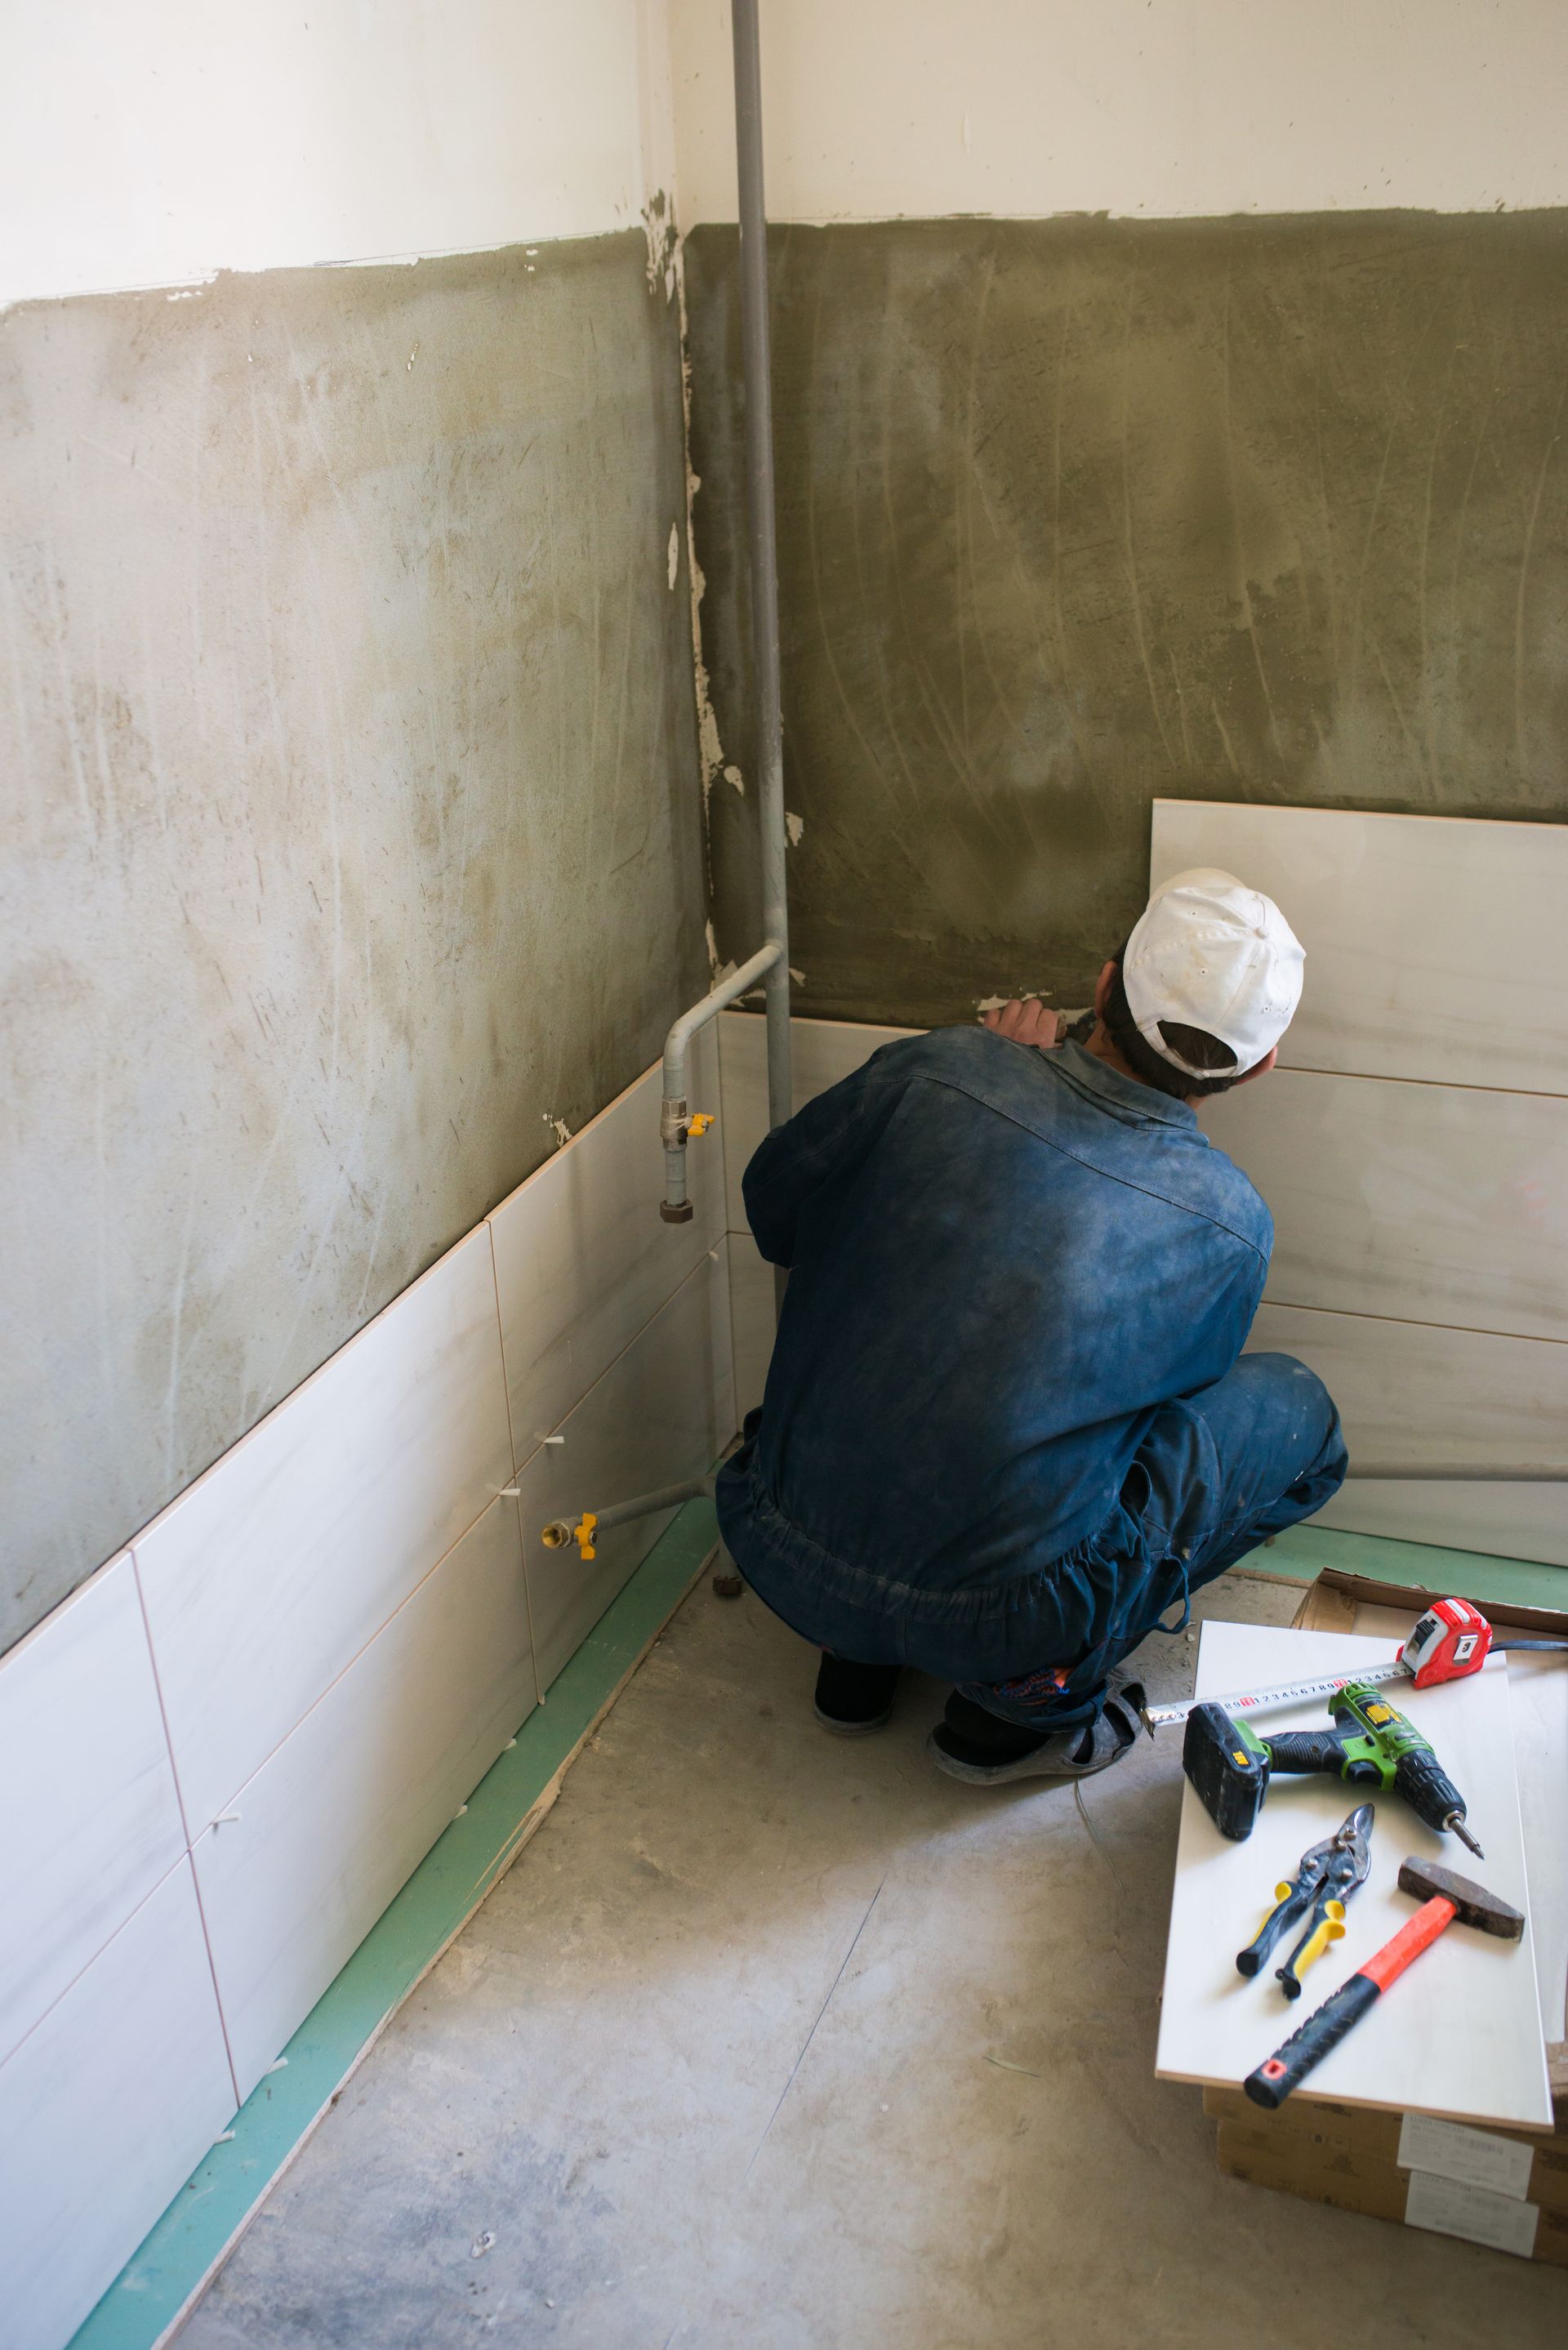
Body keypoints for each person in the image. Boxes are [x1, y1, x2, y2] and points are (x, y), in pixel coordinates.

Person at [713, 867, 1348, 1786]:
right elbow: (1152, 1427)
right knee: (1301, 1417)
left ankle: (857, 1660)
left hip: (775, 1535)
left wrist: (978, 1095)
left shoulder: (935, 1070)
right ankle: (1022, 1707)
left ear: (1102, 985)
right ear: (1260, 1065)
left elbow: (775, 1213)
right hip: (995, 1622)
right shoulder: (1229, 1224)